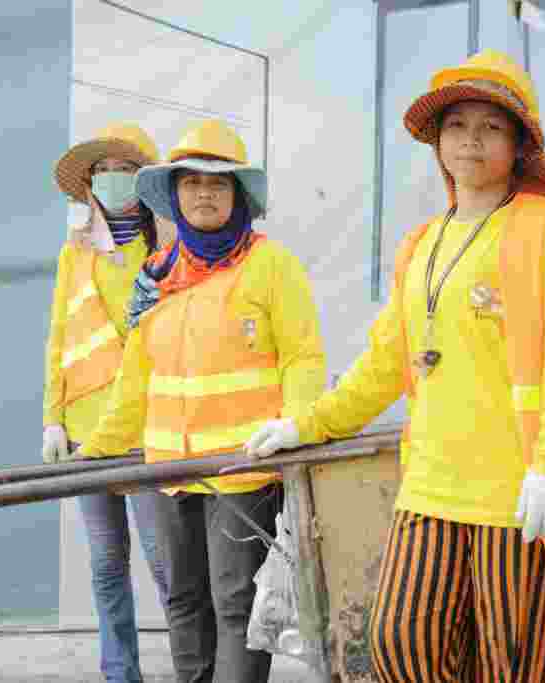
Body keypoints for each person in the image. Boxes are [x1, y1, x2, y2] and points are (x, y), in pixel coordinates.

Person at [245, 50, 545, 682]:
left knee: (511, 665)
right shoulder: (422, 241)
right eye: (457, 125)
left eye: (491, 127)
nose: (471, 141)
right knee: (399, 642)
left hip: (523, 492)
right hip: (431, 486)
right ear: (438, 141)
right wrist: (308, 424)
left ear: (517, 145)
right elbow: (387, 361)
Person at [75, 119, 326, 683]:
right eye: (191, 184)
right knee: (184, 601)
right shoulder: (158, 274)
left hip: (241, 471)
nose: (204, 194)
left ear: (239, 196)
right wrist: (98, 451)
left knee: (236, 604)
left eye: (218, 184)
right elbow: (136, 380)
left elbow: (303, 358)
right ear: (174, 196)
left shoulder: (271, 266)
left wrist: (298, 429)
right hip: (167, 471)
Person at [44, 122, 169, 683]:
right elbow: (58, 339)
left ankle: (195, 667)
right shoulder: (74, 254)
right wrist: (52, 419)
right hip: (84, 429)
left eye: (125, 170)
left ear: (144, 182)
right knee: (105, 561)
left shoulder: (166, 249)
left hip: (146, 427)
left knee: (168, 563)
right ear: (89, 184)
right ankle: (120, 673)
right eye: (103, 171)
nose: (113, 180)